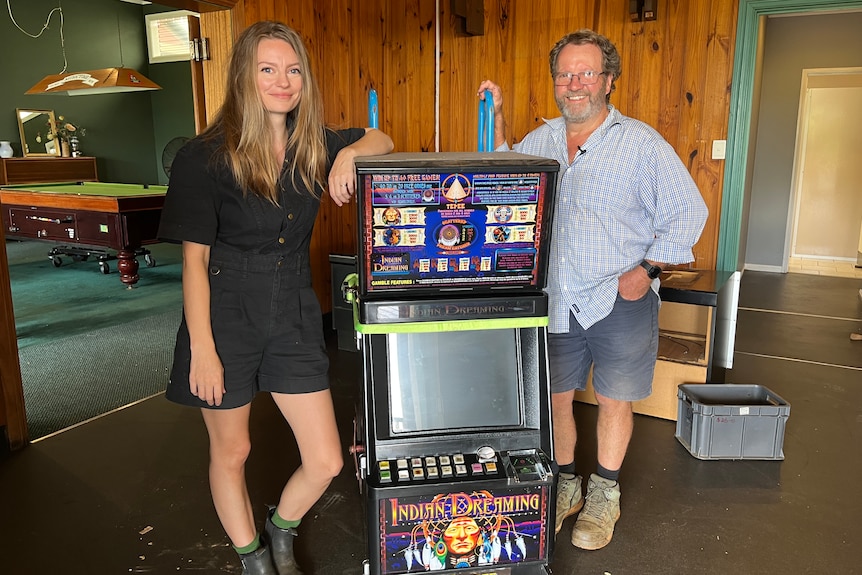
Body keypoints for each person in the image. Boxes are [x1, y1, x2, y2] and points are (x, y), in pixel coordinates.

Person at [157, 21, 393, 575]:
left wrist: (350, 154)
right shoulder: (203, 156)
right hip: (224, 311)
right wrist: (204, 350)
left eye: (292, 70)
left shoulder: (316, 143)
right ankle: (253, 557)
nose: (282, 81)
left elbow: (382, 139)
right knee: (232, 452)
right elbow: (193, 261)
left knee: (327, 459)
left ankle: (279, 525)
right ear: (245, 76)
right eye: (267, 69)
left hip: (291, 307)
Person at [478, 29, 707, 551]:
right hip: (556, 297)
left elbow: (688, 211)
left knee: (613, 398)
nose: (574, 84)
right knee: (556, 397)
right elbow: (506, 170)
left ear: (608, 80)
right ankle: (564, 485)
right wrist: (502, 112)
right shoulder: (543, 140)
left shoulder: (641, 144)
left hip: (617, 294)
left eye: (585, 73)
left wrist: (645, 271)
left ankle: (604, 492)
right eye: (565, 74)